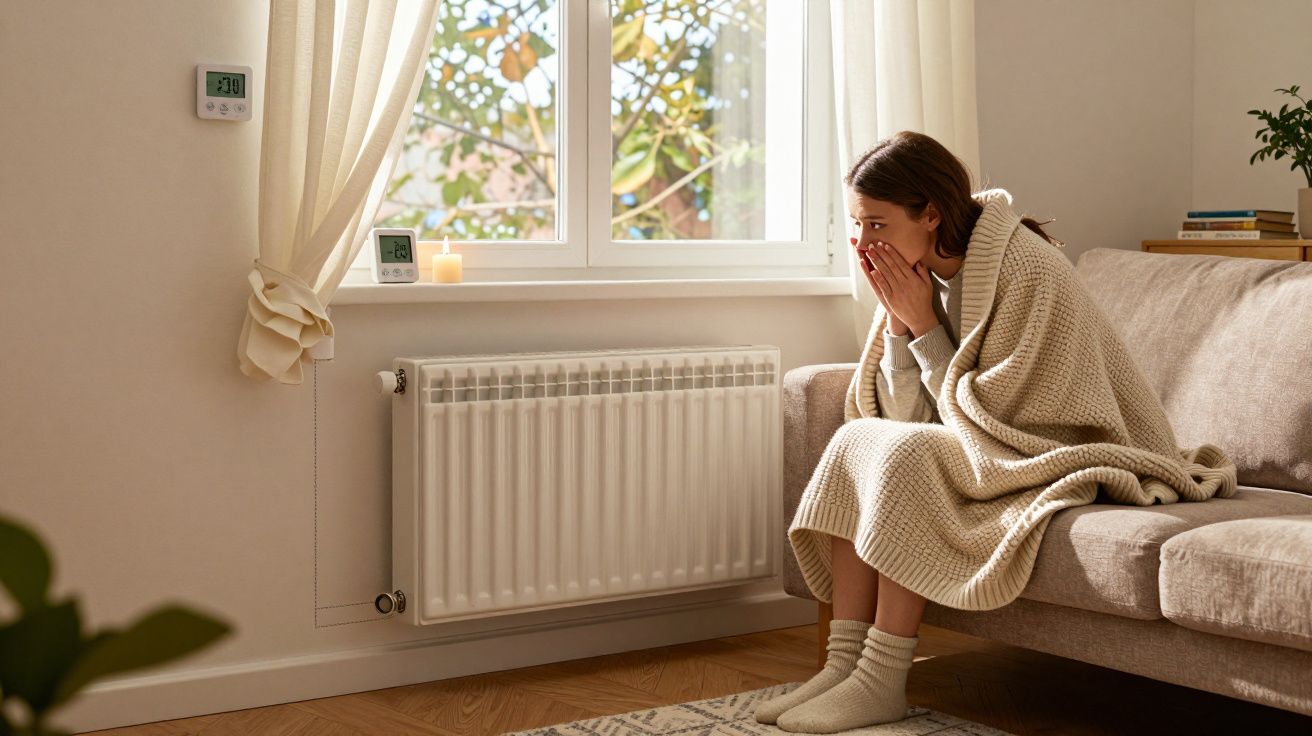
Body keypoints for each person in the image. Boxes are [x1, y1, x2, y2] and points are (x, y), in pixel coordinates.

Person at [756, 130, 1063, 733]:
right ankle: (844, 662)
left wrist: (925, 326)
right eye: (856, 224)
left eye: (876, 224)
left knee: (906, 455)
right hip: (977, 435)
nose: (862, 242)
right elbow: (902, 417)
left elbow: (1005, 419)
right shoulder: (916, 271)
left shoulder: (1023, 268)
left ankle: (883, 677)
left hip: (1048, 442)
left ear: (930, 214)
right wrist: (901, 324)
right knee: (860, 438)